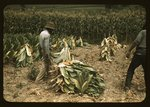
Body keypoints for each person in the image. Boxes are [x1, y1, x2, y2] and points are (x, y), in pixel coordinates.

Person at [124, 24, 146, 91]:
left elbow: (136, 41)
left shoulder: (143, 32)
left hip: (140, 53)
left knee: (131, 69)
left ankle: (127, 86)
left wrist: (129, 50)